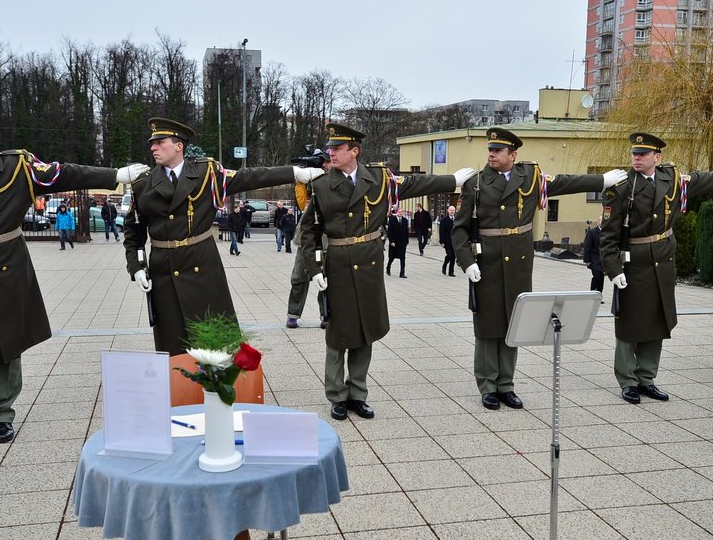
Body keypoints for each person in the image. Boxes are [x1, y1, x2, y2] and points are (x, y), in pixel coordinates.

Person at [0, 107, 147, 445]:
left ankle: (3, 413)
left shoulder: (16, 166)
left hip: (7, 264)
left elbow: (65, 174)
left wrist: (114, 175)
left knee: (8, 343)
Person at [299, 122, 476, 420]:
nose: (331, 152)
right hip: (338, 265)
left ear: (354, 151)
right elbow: (309, 233)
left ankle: (357, 393)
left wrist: (451, 180)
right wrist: (314, 268)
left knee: (365, 332)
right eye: (331, 148)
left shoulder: (379, 179)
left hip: (368, 266)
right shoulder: (320, 186)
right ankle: (337, 395)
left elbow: (416, 184)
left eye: (337, 148)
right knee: (338, 335)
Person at [454, 127, 623, 411]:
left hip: (519, 263)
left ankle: (506, 384)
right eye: (490, 150)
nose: (491, 155)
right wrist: (467, 262)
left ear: (513, 154)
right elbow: (459, 230)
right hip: (488, 262)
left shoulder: (530, 177)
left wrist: (601, 180)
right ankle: (487, 385)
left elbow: (566, 182)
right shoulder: (477, 183)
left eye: (498, 151)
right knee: (487, 325)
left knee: (513, 322)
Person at [125, 117, 323, 354]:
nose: (152, 147)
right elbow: (134, 231)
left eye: (159, 142)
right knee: (173, 342)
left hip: (201, 264)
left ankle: (217, 386)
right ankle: (180, 388)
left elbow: (249, 176)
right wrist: (136, 266)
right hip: (163, 269)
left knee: (215, 339)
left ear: (179, 146)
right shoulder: (143, 184)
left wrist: (293, 172)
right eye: (152, 143)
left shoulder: (206, 173)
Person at [601, 132, 713, 404]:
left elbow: (704, 180)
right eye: (635, 154)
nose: (637, 158)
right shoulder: (622, 187)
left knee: (656, 319)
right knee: (629, 322)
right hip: (633, 260)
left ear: (657, 158)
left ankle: (647, 377)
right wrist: (614, 270)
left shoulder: (670, 181)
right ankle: (627, 380)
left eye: (643, 154)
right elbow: (608, 235)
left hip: (662, 260)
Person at [286, 220, 327, 329]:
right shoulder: (309, 204)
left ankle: (325, 314)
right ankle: (293, 314)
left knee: (326, 282)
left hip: (327, 243)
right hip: (304, 243)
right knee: (298, 279)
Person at [583, 217, 604, 295]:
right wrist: (587, 260)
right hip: (594, 259)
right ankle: (592, 293)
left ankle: (599, 294)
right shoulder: (592, 232)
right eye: (601, 221)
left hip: (602, 259)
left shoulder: (606, 232)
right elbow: (587, 246)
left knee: (601, 277)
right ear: (598, 222)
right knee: (597, 276)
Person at [386, 207, 409, 278]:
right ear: (397, 213)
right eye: (399, 212)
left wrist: (406, 241)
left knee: (403, 258)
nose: (401, 213)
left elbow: (406, 232)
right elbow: (390, 232)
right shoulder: (392, 220)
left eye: (402, 212)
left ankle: (402, 273)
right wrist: (391, 241)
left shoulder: (405, 220)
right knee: (392, 257)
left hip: (402, 242)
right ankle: (388, 268)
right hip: (394, 242)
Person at [439, 205, 457, 276]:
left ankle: (451, 272)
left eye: (453, 210)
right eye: (451, 210)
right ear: (448, 211)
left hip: (455, 241)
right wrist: (442, 241)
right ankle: (445, 264)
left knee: (453, 257)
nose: (452, 211)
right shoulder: (444, 220)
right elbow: (442, 231)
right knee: (449, 255)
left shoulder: (457, 220)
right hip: (447, 241)